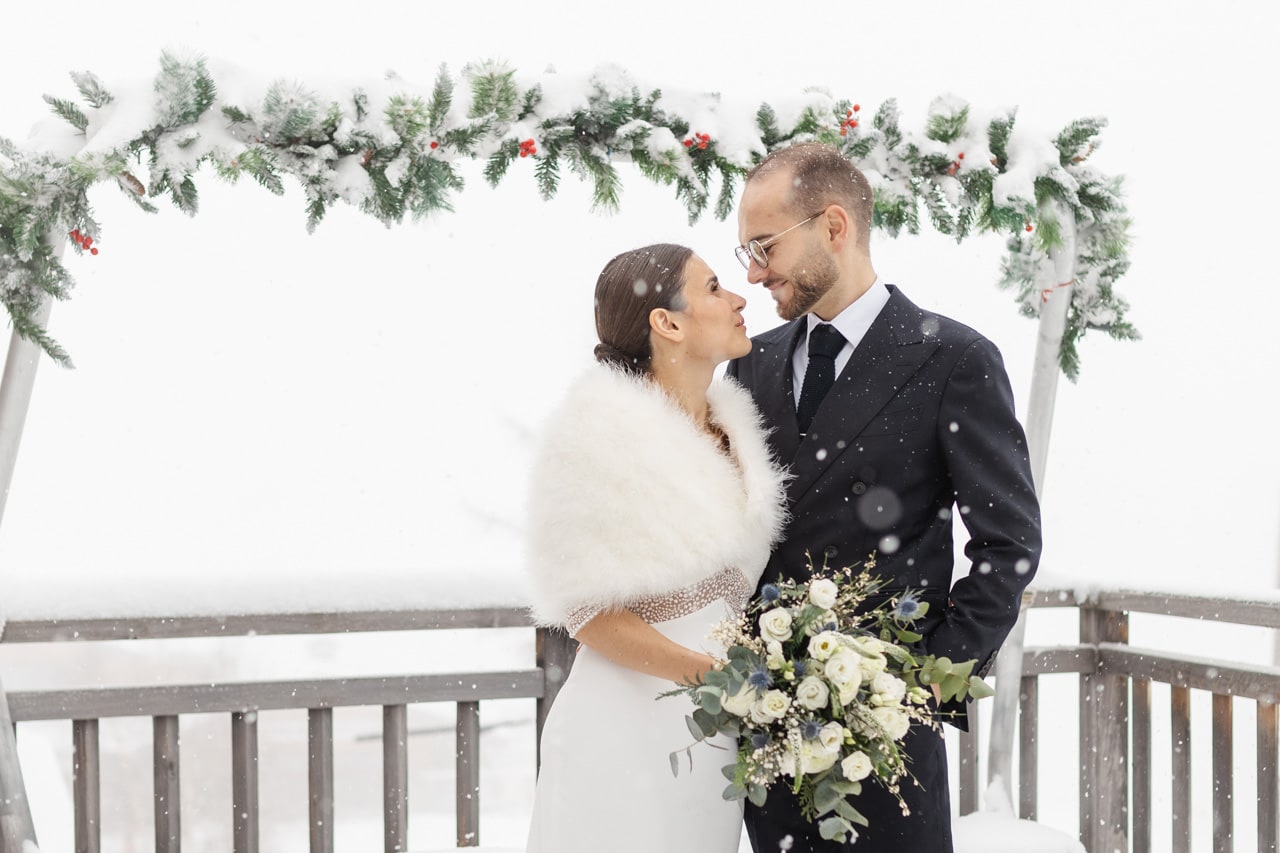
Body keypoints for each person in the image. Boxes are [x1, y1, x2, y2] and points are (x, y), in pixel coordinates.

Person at [726, 142, 1043, 853]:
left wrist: (925, 683)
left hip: (889, 746)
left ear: (834, 227)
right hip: (766, 732)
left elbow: (1009, 542)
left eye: (765, 245)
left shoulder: (955, 360)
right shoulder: (753, 364)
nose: (752, 272)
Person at [523, 243, 790, 853]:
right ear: (666, 322)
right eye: (716, 287)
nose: (739, 298)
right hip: (622, 725)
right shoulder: (595, 437)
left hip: (712, 736)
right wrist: (713, 677)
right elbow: (585, 612)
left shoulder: (736, 426)